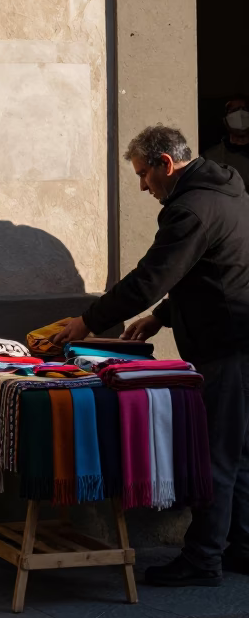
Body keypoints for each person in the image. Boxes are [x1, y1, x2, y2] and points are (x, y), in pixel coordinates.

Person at [55, 124, 249, 587]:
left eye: (144, 174)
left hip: (226, 346)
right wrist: (163, 316)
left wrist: (87, 322)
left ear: (166, 163)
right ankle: (242, 546)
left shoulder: (190, 209)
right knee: (239, 453)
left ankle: (203, 560)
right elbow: (211, 269)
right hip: (239, 340)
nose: (143, 186)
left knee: (218, 456)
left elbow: (150, 277)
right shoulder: (230, 193)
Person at [204, 95, 249, 191]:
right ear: (225, 119)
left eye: (245, 109)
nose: (241, 114)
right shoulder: (212, 157)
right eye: (234, 110)